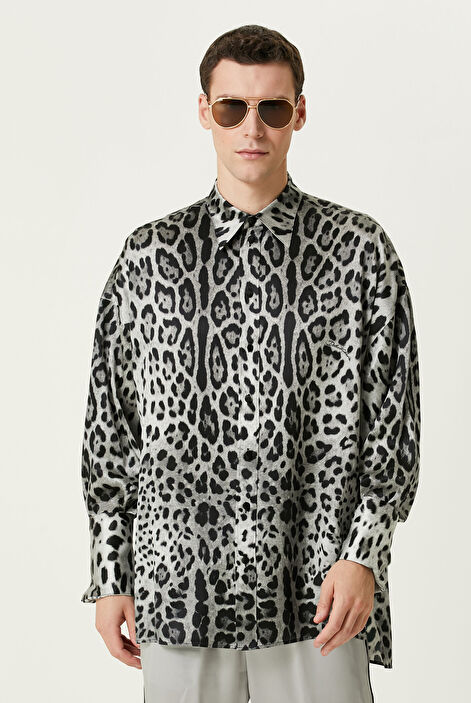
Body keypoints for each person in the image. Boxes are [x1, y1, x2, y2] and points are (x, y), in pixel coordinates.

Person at [80, 23, 421, 703]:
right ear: (204, 111)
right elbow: (110, 427)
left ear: (300, 113)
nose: (252, 128)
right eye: (232, 106)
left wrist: (364, 554)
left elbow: (394, 423)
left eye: (272, 108)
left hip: (318, 587)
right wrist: (110, 571)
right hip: (179, 585)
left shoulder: (359, 251)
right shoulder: (150, 256)